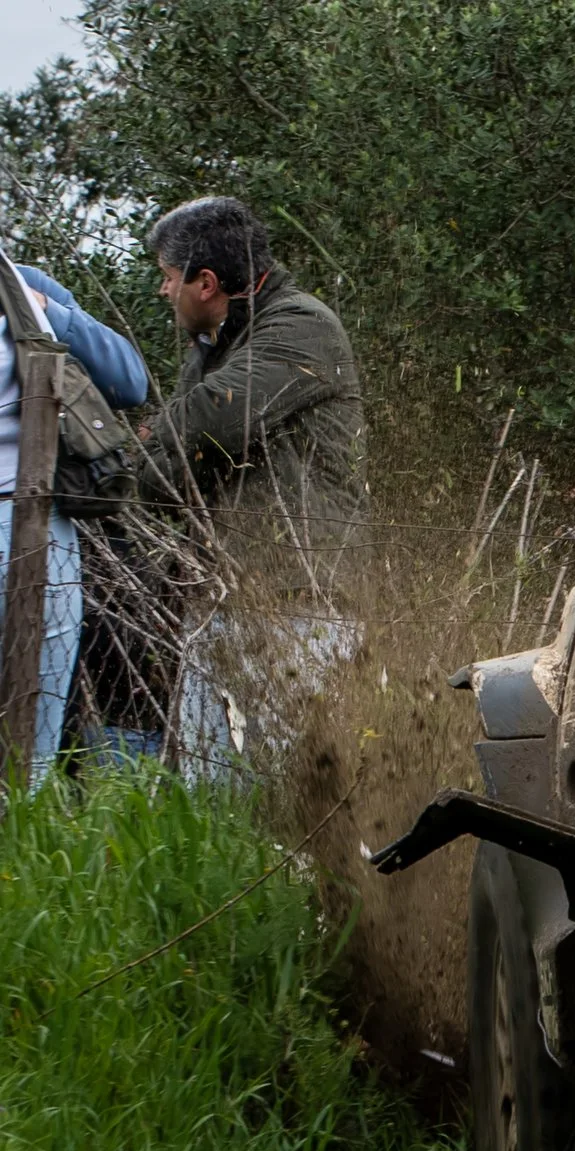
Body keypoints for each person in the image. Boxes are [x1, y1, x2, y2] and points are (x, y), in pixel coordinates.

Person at [139, 196, 368, 773]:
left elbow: (216, 420)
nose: (163, 292)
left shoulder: (301, 324)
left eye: (168, 279)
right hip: (222, 597)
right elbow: (160, 480)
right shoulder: (215, 351)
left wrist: (162, 434)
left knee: (290, 791)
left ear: (207, 283)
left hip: (303, 601)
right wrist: (166, 445)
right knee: (207, 796)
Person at [0, 253, 150, 778]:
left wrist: (51, 312)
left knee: (34, 749)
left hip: (34, 526)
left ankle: (20, 848)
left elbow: (130, 381)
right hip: (32, 530)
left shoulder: (17, 283)